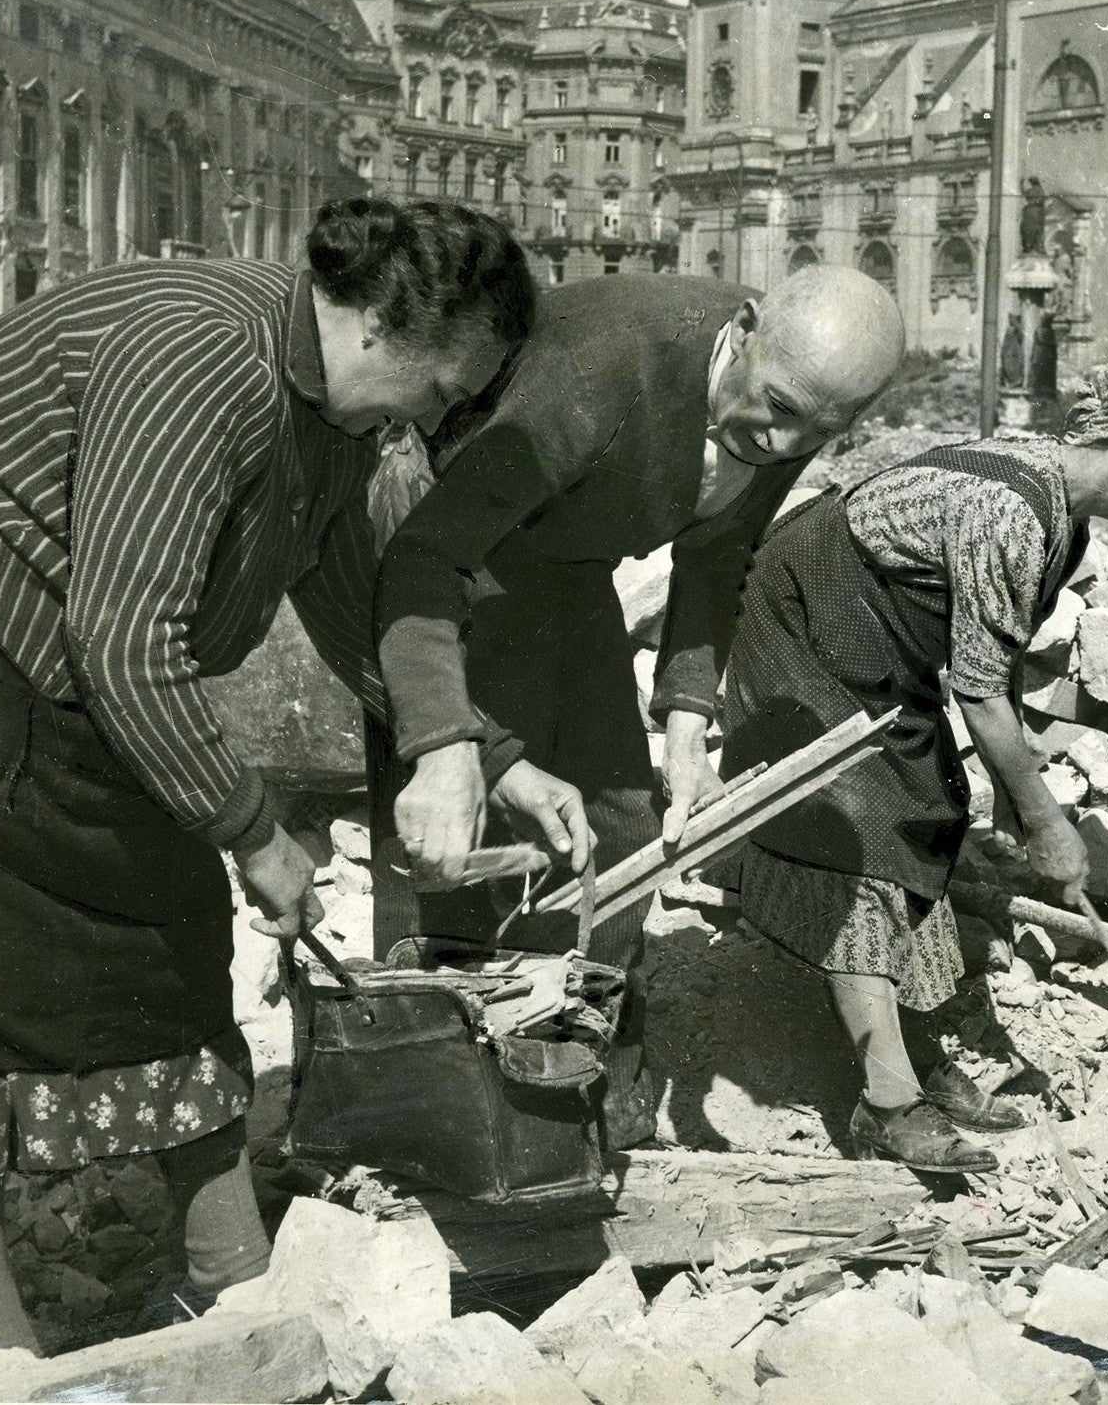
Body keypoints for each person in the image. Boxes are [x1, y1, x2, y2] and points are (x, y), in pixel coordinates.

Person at [0, 197, 537, 1383]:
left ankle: (224, 1267)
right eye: (446, 388)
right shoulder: (200, 352)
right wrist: (253, 831)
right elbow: (129, 642)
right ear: (379, 329)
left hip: (63, 645)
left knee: (163, 919)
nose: (440, 419)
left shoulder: (341, 422)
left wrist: (487, 750)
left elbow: (350, 601)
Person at [374, 265, 907, 1145]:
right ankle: (436, 1115)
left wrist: (689, 723)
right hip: (444, 563)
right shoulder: (602, 372)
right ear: (743, 329)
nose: (783, 443)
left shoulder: (802, 396)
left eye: (821, 429)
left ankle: (580, 1090)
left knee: (619, 825)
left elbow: (719, 552)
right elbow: (424, 562)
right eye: (777, 408)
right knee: (468, 849)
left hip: (567, 567)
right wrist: (473, 750)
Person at [717, 345, 1108, 1173]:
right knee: (861, 831)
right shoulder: (1014, 511)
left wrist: (1013, 794)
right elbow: (979, 695)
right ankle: (886, 1104)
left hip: (872, 635)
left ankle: (917, 1051)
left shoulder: (1062, 524)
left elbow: (984, 661)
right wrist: (1046, 822)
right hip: (801, 614)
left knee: (930, 809)